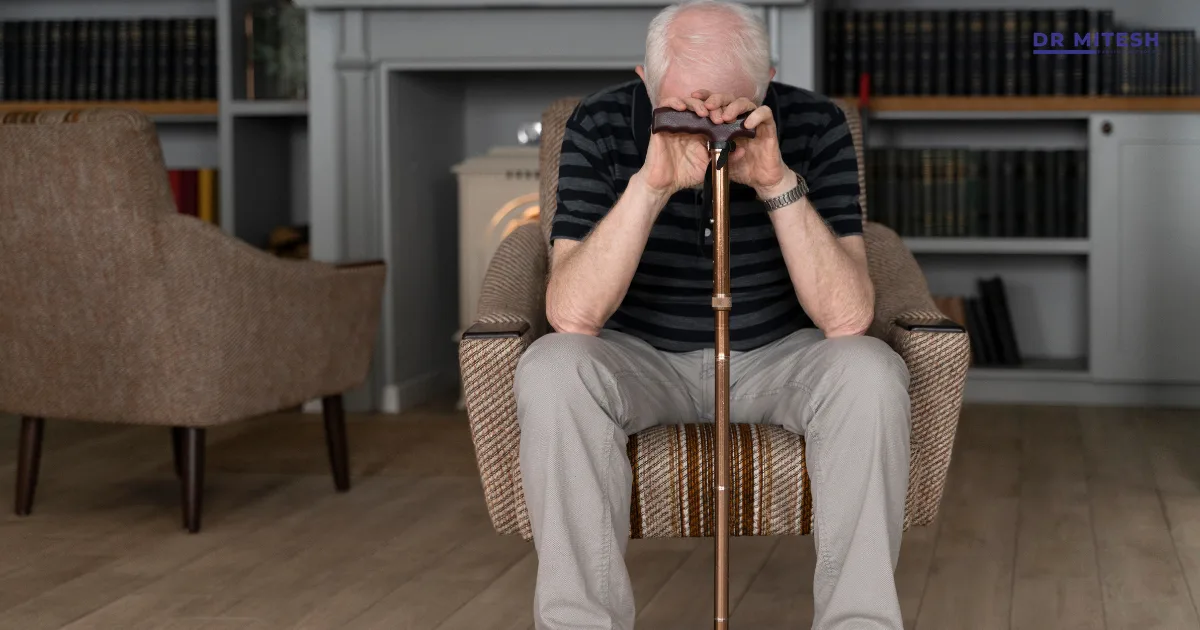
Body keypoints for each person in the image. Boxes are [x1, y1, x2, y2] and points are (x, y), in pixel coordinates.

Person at [513, 1, 911, 628]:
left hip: (777, 359)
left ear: (767, 82)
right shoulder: (600, 122)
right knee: (553, 368)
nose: (709, 127)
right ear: (644, 79)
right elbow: (573, 315)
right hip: (639, 360)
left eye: (732, 111)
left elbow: (847, 319)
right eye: (683, 109)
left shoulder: (816, 122)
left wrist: (777, 182)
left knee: (869, 371)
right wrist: (650, 184)